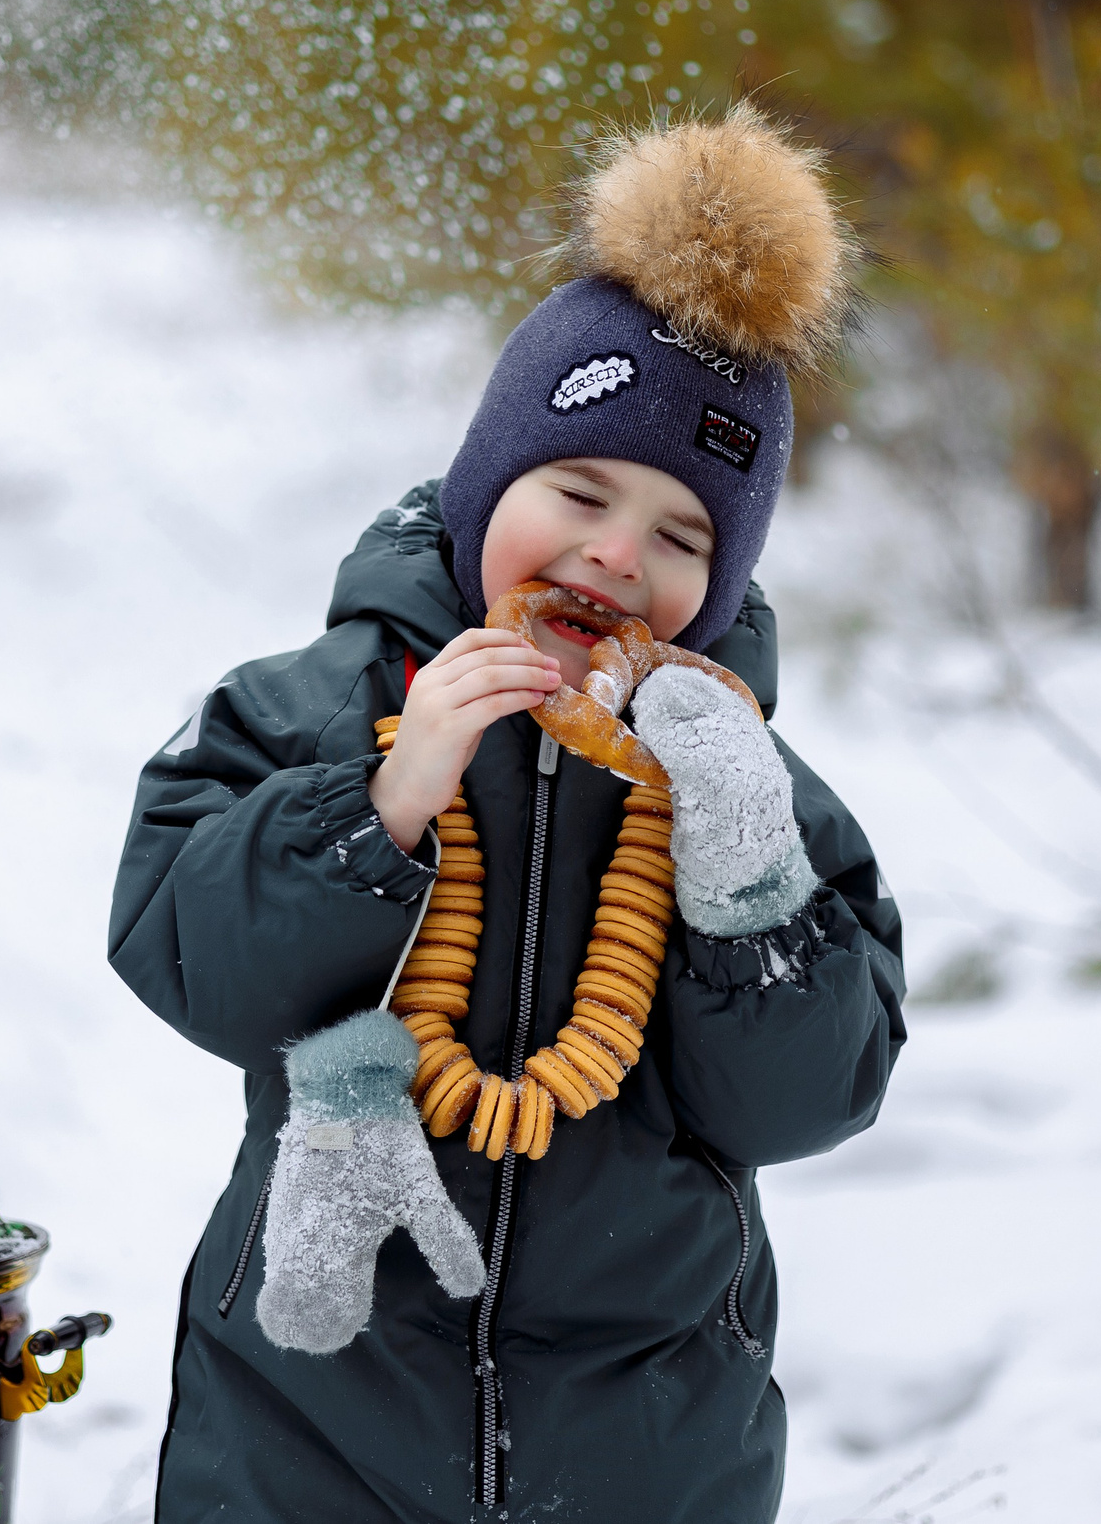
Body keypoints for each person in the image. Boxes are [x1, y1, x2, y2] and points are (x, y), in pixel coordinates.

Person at [108, 103, 907, 1524]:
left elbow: (806, 1100)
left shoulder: (752, 793)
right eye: (578, 492)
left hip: (647, 1430)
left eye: (682, 537)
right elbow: (186, 958)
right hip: (312, 1413)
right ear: (486, 494)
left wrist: (743, 874)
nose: (616, 553)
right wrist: (386, 797)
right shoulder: (310, 707)